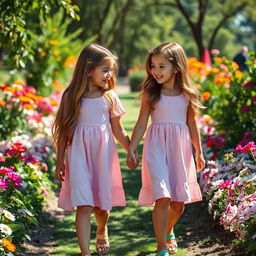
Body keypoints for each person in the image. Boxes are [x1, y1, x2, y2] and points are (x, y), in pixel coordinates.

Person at [52, 44, 137, 256]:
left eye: (111, 70)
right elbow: (63, 132)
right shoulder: (71, 96)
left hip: (102, 156)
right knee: (84, 206)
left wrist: (130, 149)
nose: (109, 75)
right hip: (78, 156)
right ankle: (85, 253)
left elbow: (117, 130)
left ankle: (101, 229)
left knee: (101, 207)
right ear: (89, 69)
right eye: (105, 70)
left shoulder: (109, 97)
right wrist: (59, 160)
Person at [127, 42, 205, 256]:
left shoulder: (188, 95)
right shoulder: (151, 93)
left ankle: (168, 231)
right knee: (162, 196)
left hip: (180, 150)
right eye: (153, 66)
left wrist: (198, 151)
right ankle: (161, 247)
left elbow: (192, 124)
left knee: (178, 203)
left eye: (162, 66)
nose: (156, 71)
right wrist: (132, 148)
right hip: (156, 148)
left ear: (177, 67)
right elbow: (141, 123)